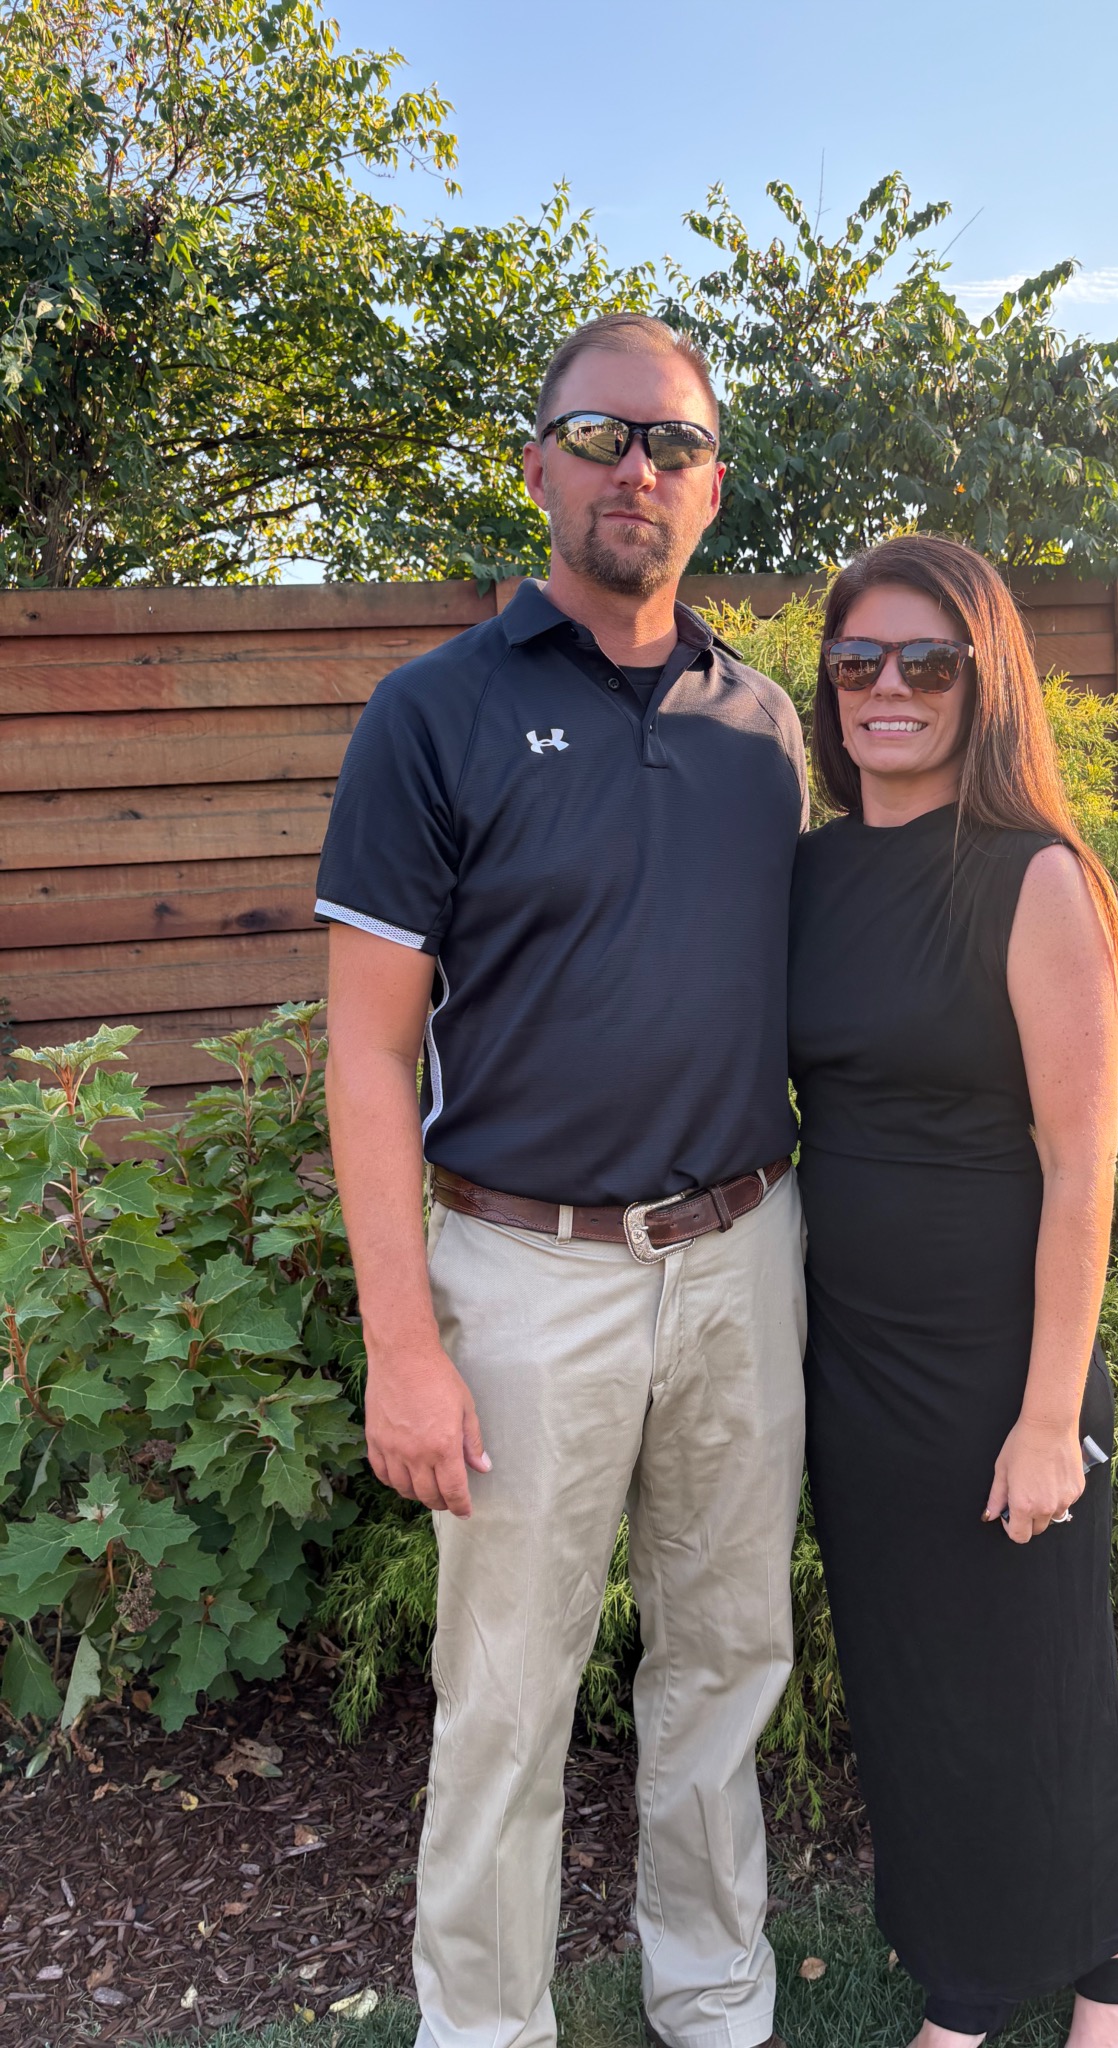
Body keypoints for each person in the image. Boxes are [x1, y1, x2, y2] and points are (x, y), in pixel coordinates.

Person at [318, 313, 809, 2048]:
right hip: (529, 1277)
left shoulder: (766, 725)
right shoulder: (432, 714)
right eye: (602, 435)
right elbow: (367, 1055)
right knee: (507, 1699)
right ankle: (485, 2027)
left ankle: (714, 1993)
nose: (638, 471)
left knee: (727, 1662)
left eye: (674, 443)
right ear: (538, 465)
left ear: (714, 486)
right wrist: (403, 1348)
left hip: (744, 1249)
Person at [788, 535, 1118, 2048]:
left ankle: (1087, 1985)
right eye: (859, 659)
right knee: (919, 1689)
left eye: (927, 662)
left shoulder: (1036, 876)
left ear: (982, 682)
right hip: (857, 1359)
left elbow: (1081, 1163)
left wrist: (1050, 1415)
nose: (889, 687)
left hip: (1003, 1359)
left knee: (1033, 1678)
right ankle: (1009, 1967)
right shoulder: (814, 873)